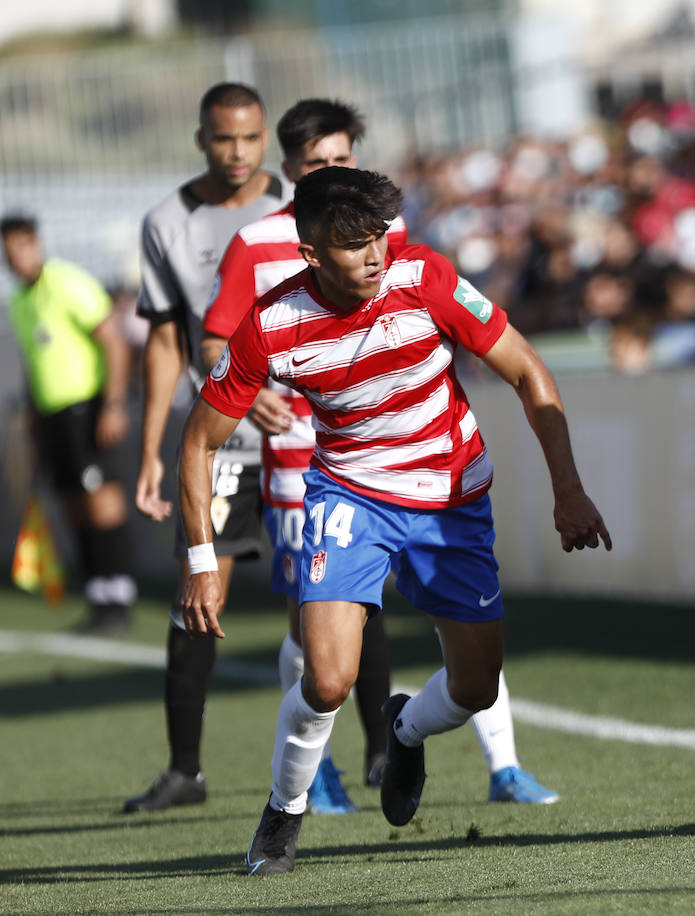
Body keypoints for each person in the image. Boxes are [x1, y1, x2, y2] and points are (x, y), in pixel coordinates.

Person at [177, 167, 610, 876]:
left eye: (379, 236)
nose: (375, 254)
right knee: (325, 680)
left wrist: (569, 488)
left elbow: (528, 371)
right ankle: (284, 815)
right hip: (350, 498)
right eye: (353, 244)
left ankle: (404, 730)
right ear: (312, 254)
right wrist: (200, 564)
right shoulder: (271, 326)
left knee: (474, 688)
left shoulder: (427, 278)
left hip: (452, 500)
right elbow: (199, 441)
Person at [202, 97, 560, 809]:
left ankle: (473, 753)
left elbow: (519, 362)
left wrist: (568, 489)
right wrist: (249, 404)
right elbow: (218, 350)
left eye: (344, 158)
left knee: (471, 666)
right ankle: (299, 792)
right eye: (318, 165)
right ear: (294, 174)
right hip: (320, 468)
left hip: (442, 486)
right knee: (319, 655)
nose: (335, 173)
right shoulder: (257, 255)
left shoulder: (402, 255)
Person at [124, 82, 289, 813]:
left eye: (250, 138)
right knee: (200, 589)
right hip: (222, 442)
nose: (237, 152)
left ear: (266, 139)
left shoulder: (301, 201)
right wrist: (158, 443)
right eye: (223, 138)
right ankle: (185, 770)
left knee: (350, 587)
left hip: (311, 430)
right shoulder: (167, 222)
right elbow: (167, 340)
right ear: (201, 139)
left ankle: (380, 755)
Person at [2, 215, 138, 632]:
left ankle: (120, 594)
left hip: (86, 408)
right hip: (51, 416)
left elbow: (112, 338)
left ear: (37, 244)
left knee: (101, 500)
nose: (17, 256)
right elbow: (34, 363)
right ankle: (99, 594)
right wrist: (31, 419)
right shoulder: (21, 301)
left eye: (23, 246)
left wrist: (113, 404)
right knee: (73, 503)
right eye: (9, 250)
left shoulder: (65, 282)